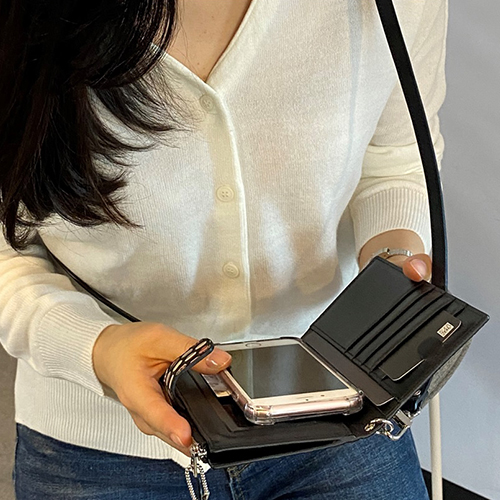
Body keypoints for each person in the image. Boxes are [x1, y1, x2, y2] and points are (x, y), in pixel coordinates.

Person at [0, 0, 446, 498]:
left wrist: (393, 270)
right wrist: (96, 348)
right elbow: (8, 248)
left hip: (339, 405)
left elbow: (395, 158)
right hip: (96, 438)